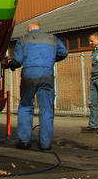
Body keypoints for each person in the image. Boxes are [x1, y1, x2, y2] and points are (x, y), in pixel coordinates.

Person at [9, 20, 68, 150]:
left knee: (25, 105)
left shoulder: (23, 39)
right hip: (47, 75)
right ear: (40, 28)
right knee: (46, 109)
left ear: (30, 28)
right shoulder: (52, 38)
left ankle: (24, 140)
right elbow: (64, 53)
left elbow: (18, 60)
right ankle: (45, 144)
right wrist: (50, 59)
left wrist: (10, 65)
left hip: (29, 75)